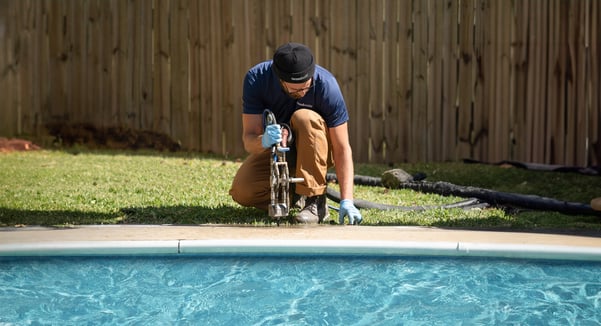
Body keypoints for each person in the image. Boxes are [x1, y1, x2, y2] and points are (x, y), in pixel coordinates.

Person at [229, 42, 362, 225]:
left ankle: (315, 201)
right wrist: (264, 140)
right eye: (295, 89)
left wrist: (347, 199)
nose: (303, 92)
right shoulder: (256, 79)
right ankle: (293, 194)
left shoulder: (327, 85)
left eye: (306, 87)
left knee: (304, 117)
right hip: (279, 152)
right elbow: (249, 140)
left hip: (318, 150)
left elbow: (342, 148)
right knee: (243, 191)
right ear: (279, 79)